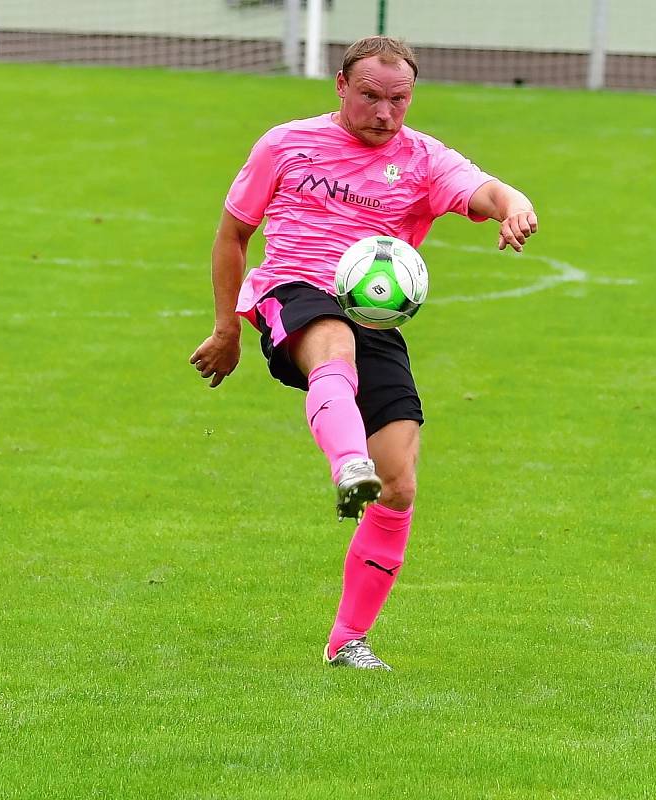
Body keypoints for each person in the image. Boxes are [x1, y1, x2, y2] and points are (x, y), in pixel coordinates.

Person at [190, 36, 538, 671]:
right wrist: (227, 328)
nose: (385, 111)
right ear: (341, 87)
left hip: (372, 313)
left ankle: (347, 640)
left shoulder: (423, 158)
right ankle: (348, 465)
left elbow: (487, 191)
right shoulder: (285, 144)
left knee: (400, 483)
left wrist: (515, 206)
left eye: (398, 100)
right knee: (333, 344)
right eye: (371, 96)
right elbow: (233, 234)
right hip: (293, 293)